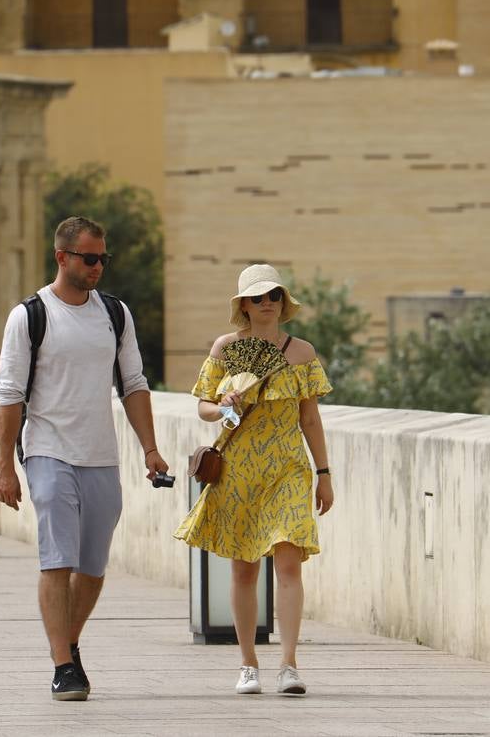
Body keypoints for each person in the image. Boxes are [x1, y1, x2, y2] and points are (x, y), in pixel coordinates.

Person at [0, 216, 168, 701]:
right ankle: (63, 665)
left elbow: (133, 384)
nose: (97, 267)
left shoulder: (115, 314)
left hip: (100, 454)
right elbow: (9, 394)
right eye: (89, 259)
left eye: (102, 259)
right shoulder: (29, 316)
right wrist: (5, 465)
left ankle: (69, 641)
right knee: (57, 559)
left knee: (91, 567)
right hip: (48, 448)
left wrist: (149, 448)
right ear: (62, 257)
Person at [174, 263, 335, 696]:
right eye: (258, 297)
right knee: (244, 568)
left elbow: (310, 419)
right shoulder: (226, 349)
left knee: (288, 563)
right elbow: (204, 408)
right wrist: (225, 404)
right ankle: (248, 664)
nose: (267, 304)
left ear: (283, 302)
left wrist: (324, 475)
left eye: (274, 296)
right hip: (239, 468)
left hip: (288, 468)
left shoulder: (301, 352)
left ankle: (289, 664)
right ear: (243, 305)